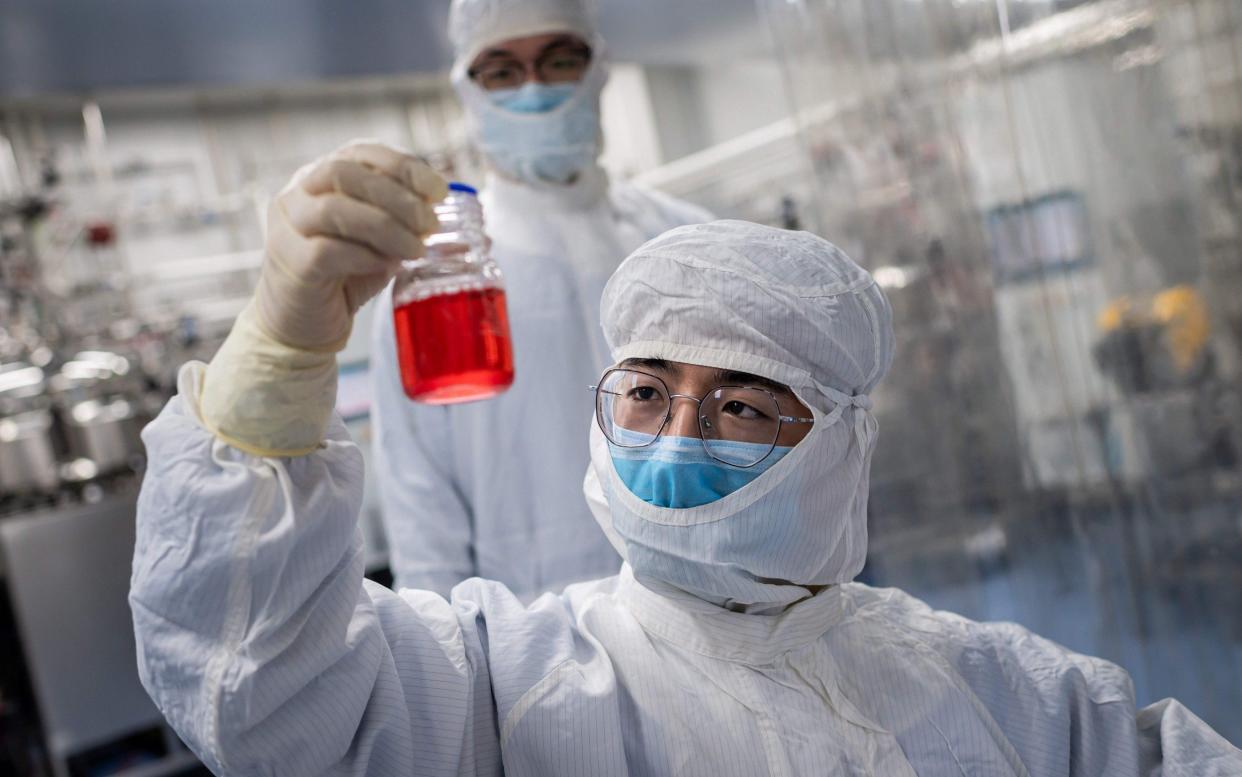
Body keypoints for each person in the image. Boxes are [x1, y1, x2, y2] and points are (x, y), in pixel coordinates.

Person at [130, 145, 1240, 775]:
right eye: (648, 393)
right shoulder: (499, 685)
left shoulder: (1013, 696)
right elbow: (261, 693)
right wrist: (273, 367)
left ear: (840, 447)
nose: (674, 438)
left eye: (743, 407)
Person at [369, 0, 710, 599]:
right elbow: (418, 495)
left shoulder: (690, 242)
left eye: (558, 61)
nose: (534, 90)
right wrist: (450, 662)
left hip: (703, 601)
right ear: (468, 88)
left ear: (597, 67)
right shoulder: (435, 278)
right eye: (501, 71)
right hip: (531, 634)